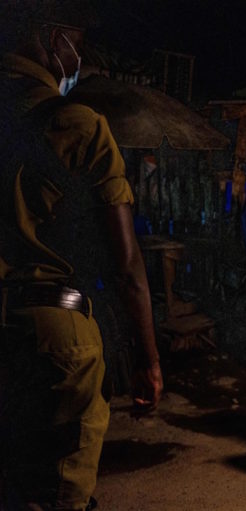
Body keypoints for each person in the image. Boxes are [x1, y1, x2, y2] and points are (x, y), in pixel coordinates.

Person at [0, 5, 163, 510]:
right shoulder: (78, 124)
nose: (80, 57)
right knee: (57, 493)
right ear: (53, 40)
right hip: (54, 335)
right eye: (77, 42)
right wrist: (148, 359)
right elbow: (127, 264)